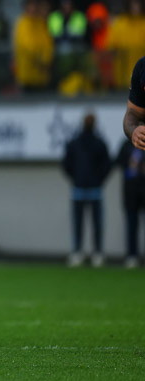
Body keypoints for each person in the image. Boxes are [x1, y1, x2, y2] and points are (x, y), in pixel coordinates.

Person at [62, 112, 112, 267]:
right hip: (92, 189)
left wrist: (76, 179)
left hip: (82, 188)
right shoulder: (99, 142)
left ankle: (78, 252)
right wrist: (98, 180)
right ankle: (97, 253)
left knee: (80, 223)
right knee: (95, 224)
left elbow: (66, 165)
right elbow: (107, 165)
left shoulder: (75, 142)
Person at [12, 0, 53, 91]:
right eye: (30, 6)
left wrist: (46, 60)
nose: (33, 9)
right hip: (27, 74)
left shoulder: (40, 23)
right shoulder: (22, 23)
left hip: (41, 75)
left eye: (35, 6)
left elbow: (47, 44)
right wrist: (40, 60)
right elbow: (26, 45)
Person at [115, 139, 145, 269]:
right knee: (131, 225)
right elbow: (119, 163)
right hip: (130, 192)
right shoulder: (126, 144)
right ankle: (132, 256)